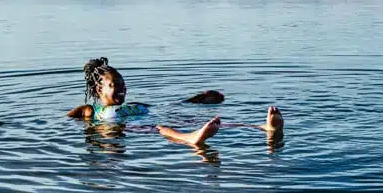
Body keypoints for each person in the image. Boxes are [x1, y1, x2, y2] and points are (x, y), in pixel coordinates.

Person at [67, 57, 283, 151]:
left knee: (198, 121)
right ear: (99, 90)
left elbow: (166, 107)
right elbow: (67, 119)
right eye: (115, 85)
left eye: (124, 84)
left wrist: (196, 99)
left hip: (141, 121)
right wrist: (92, 131)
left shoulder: (133, 105)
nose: (122, 89)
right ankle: (190, 138)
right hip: (120, 131)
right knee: (160, 129)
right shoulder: (90, 109)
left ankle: (262, 128)